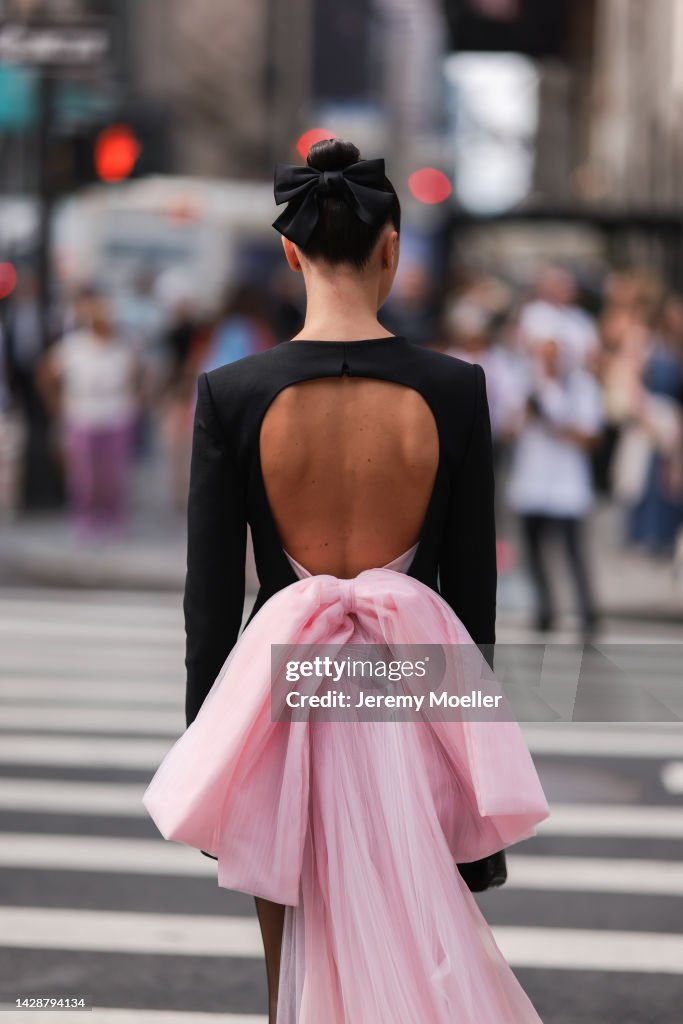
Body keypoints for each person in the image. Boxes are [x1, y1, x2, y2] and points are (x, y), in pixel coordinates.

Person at [143, 139, 549, 1023]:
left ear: (290, 251)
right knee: (420, 966)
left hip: (278, 704)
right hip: (408, 706)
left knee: (288, 984)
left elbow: (208, 606)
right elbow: (468, 600)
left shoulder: (232, 391)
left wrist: (209, 754)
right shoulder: (454, 389)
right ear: (391, 248)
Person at [507, 334, 603, 637]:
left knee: (573, 552)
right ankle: (545, 610)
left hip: (567, 483)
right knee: (533, 552)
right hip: (532, 480)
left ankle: (587, 612)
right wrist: (525, 412)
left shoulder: (582, 386)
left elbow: (592, 438)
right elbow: (507, 430)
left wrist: (553, 422)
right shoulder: (525, 383)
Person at [38, 292, 142, 539]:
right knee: (84, 474)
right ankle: (85, 518)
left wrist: (135, 400)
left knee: (113, 473)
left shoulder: (122, 347)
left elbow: (138, 373)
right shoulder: (74, 346)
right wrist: (55, 403)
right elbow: (46, 372)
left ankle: (113, 517)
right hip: (83, 414)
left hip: (115, 414)